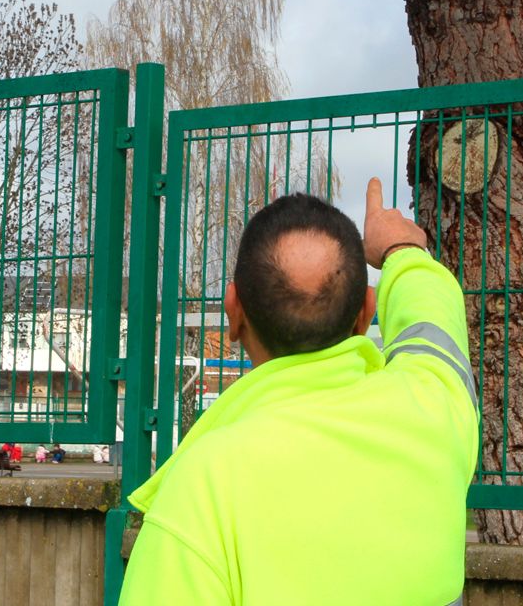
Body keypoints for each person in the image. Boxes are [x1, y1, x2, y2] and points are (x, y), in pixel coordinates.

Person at [120, 179, 479, 606]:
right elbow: (433, 325)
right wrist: (401, 249)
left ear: (233, 313)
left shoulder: (204, 487)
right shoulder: (430, 411)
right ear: (366, 314)